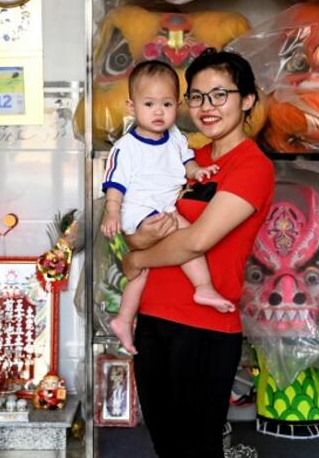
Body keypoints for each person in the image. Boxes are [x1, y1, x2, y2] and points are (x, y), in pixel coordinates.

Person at [121, 50, 275, 458]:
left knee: (202, 450)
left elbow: (197, 241)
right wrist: (135, 247)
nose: (207, 106)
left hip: (207, 327)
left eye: (220, 94)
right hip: (153, 320)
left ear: (247, 100)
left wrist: (139, 255)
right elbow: (134, 230)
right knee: (167, 449)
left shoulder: (252, 166)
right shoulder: (183, 156)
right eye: (198, 96)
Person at [100, 60, 236, 353]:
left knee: (142, 271)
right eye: (149, 104)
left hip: (162, 206)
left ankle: (123, 319)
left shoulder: (175, 137)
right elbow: (115, 184)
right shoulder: (126, 148)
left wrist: (198, 171)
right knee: (187, 234)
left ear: (177, 105)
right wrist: (112, 212)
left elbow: (187, 162)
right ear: (131, 106)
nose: (159, 112)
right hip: (140, 209)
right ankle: (203, 286)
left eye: (167, 104)